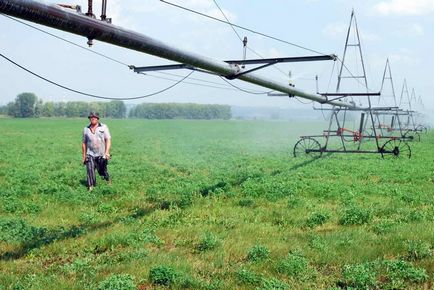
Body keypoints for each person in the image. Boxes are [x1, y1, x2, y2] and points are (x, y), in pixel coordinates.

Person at [82, 112, 111, 191]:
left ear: (98, 119)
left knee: (102, 171)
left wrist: (107, 152)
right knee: (90, 170)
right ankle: (91, 187)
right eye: (91, 117)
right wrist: (84, 156)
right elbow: (84, 143)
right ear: (89, 119)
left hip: (101, 154)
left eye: (95, 117)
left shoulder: (103, 127)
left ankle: (108, 180)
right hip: (90, 153)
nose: (93, 118)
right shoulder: (86, 129)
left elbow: (108, 139)